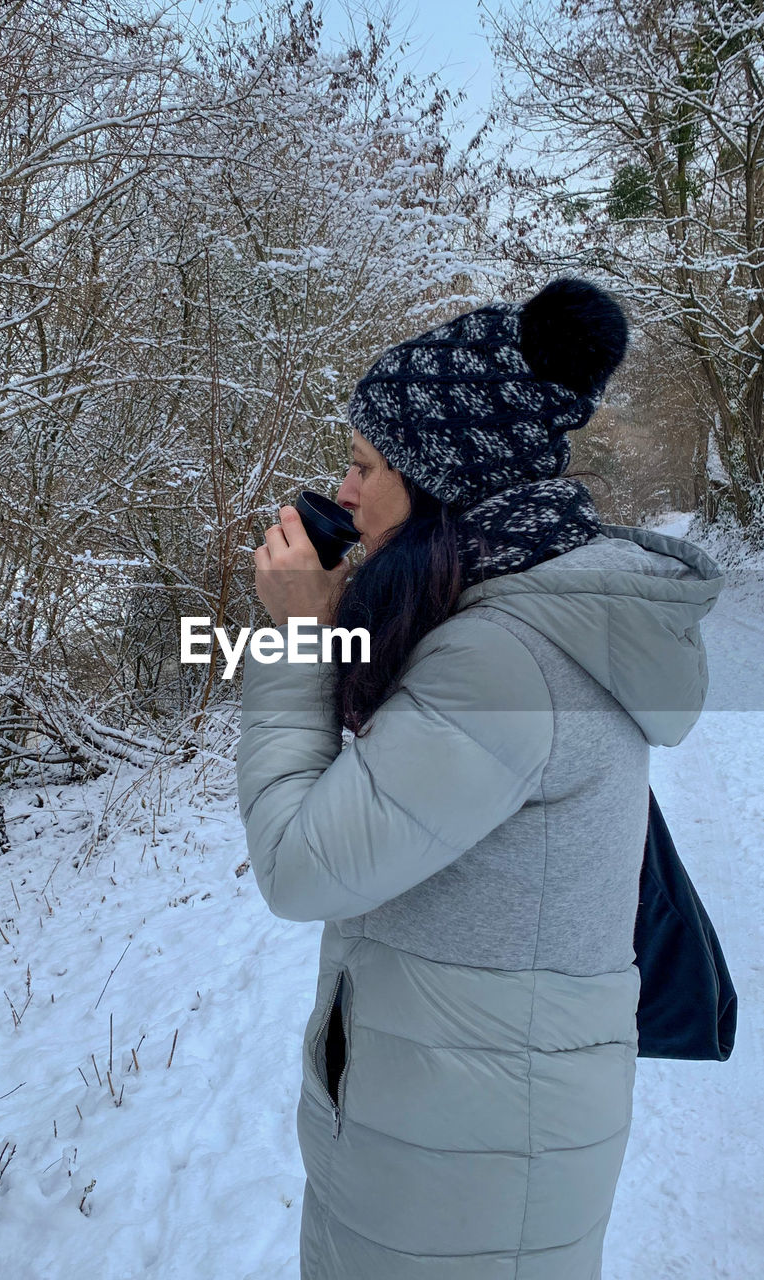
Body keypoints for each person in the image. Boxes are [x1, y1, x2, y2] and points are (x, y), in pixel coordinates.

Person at [235, 278, 725, 1279]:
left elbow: (300, 866)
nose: (343, 494)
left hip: (466, 1159)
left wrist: (292, 636)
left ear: (446, 477)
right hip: (456, 1125)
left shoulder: (505, 658)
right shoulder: (507, 604)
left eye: (366, 465)